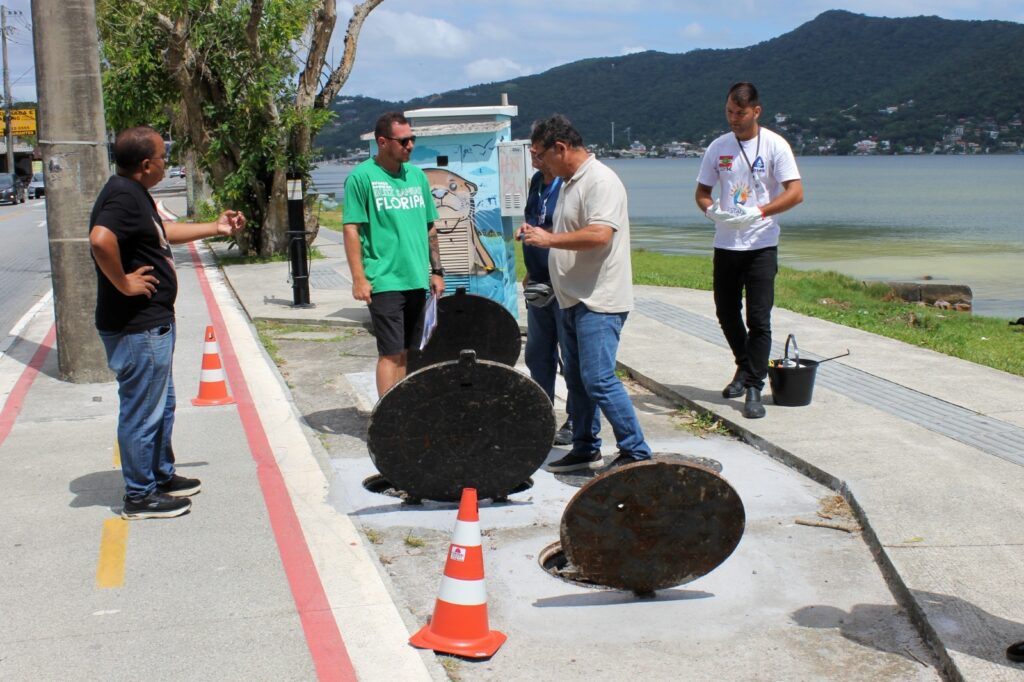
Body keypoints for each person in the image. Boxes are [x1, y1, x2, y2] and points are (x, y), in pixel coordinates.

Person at [90, 125, 246, 520]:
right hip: (137, 326)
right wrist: (124, 283)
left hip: (152, 323)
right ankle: (140, 495)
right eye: (163, 157)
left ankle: (159, 475)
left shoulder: (135, 193)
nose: (167, 163)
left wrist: (216, 227)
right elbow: (99, 239)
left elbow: (163, 233)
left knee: (163, 405)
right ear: (145, 164)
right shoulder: (123, 196)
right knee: (143, 410)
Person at [519, 114, 652, 473]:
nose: (539, 164)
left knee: (599, 378)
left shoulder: (600, 180)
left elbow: (599, 234)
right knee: (575, 379)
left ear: (560, 148)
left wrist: (548, 240)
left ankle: (636, 450)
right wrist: (538, 244)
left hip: (600, 300)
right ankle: (585, 446)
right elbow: (567, 230)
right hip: (570, 297)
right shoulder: (566, 182)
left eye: (541, 155)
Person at [695, 82, 804, 419]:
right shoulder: (718, 147)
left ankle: (755, 385)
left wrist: (759, 211)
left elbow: (796, 192)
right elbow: (702, 192)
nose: (733, 119)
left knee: (758, 318)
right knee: (725, 312)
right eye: (729, 112)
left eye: (740, 113)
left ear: (756, 111)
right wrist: (712, 211)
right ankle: (744, 367)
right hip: (726, 243)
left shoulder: (775, 145)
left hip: (760, 243)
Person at [343, 112, 444, 397]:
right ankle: (386, 418)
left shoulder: (417, 177)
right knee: (390, 352)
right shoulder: (361, 178)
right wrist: (358, 278)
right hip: (384, 278)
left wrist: (437, 271)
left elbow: (429, 226)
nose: (410, 145)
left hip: (416, 278)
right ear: (383, 142)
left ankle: (401, 409)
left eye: (412, 139)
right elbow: (351, 229)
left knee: (408, 352)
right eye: (404, 141)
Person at [521, 159, 573, 446]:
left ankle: (576, 418)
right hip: (539, 281)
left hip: (563, 281)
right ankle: (541, 413)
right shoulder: (536, 182)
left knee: (570, 354)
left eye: (539, 152)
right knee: (538, 354)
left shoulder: (566, 184)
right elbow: (536, 222)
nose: (533, 158)